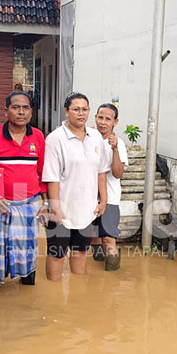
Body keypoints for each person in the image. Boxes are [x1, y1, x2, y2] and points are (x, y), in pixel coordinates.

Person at [0, 91, 48, 289]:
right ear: (6, 110)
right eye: (16, 107)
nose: (21, 112)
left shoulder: (38, 137)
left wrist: (46, 203)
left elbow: (42, 173)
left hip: (28, 204)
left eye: (25, 108)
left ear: (31, 112)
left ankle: (26, 284)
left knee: (26, 249)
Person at [42, 93, 111, 281]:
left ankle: (77, 293)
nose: (81, 114)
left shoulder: (96, 137)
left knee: (80, 252)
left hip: (87, 209)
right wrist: (55, 207)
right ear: (66, 111)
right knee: (57, 254)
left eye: (85, 109)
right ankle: (54, 298)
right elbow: (51, 177)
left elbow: (101, 171)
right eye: (76, 109)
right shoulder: (56, 139)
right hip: (62, 208)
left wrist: (103, 200)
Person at [89, 104, 127, 271]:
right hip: (89, 197)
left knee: (108, 239)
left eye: (108, 119)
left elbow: (118, 174)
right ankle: (98, 277)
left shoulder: (119, 144)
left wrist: (115, 149)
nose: (103, 122)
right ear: (95, 117)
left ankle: (112, 276)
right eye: (100, 118)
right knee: (92, 236)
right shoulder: (89, 138)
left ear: (115, 122)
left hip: (109, 198)